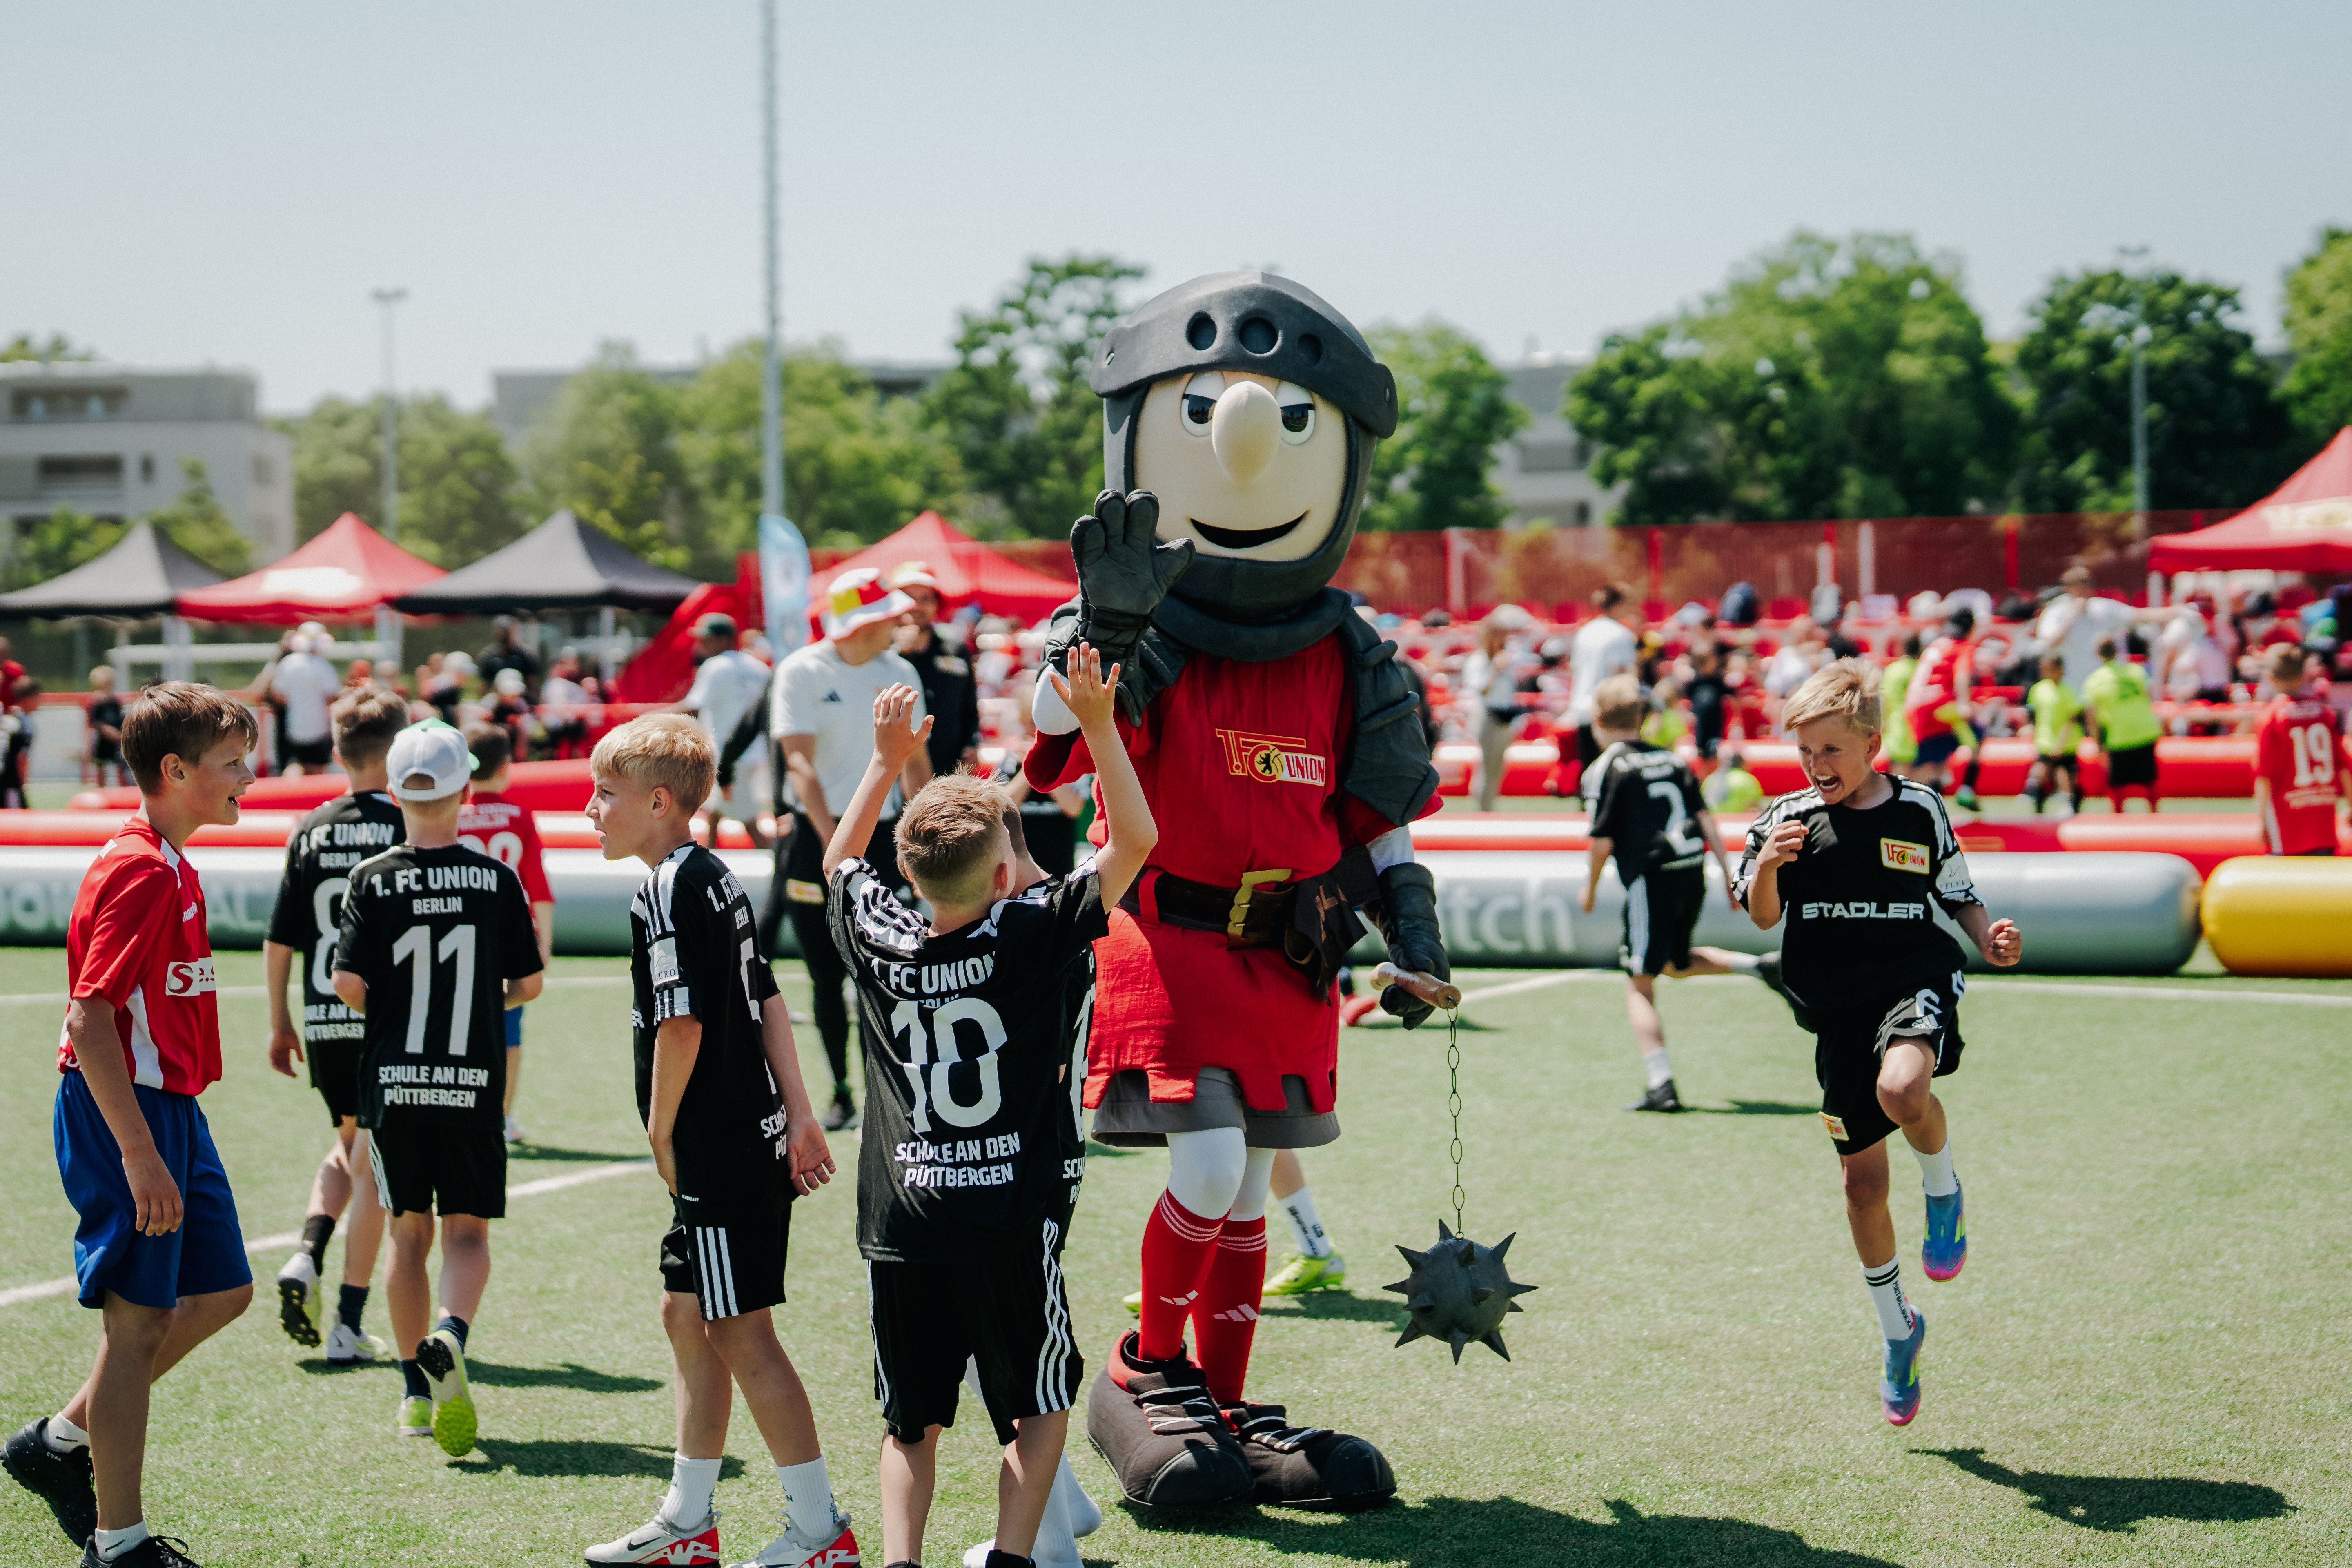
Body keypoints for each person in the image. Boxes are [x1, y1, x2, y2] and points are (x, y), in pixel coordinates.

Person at [823, 652, 1153, 1568]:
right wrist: (1096, 724)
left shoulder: (882, 936)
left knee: (910, 1419)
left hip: (904, 1218)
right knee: (1039, 1400)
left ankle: (900, 1563)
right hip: (1010, 1212)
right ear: (1007, 874)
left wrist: (886, 762)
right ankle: (1014, 1558)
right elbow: (1133, 843)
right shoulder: (1033, 927)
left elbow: (839, 859)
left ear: (910, 872)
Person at [581, 714, 853, 1568]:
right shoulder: (713, 874)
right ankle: (688, 1519)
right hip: (749, 1133)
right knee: (687, 1312)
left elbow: (685, 1022)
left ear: (659, 803)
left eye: (606, 795)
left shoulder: (665, 888)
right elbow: (767, 996)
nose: (592, 810)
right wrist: (801, 1110)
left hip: (720, 1146)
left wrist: (661, 1128)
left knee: (740, 1330)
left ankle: (820, 1530)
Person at [4, 683, 257, 1568]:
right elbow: (89, 1018)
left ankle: (59, 1443)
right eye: (232, 764)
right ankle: (119, 1544)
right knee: (137, 1325)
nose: (248, 778)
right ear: (175, 770)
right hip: (129, 1114)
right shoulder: (143, 868)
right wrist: (140, 1151)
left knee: (224, 1291)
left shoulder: (172, 860)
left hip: (172, 1108)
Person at [1735, 660, 2022, 1426]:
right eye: (1806, 752)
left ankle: (1944, 1189)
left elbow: (1957, 892)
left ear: (1872, 744)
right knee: (1861, 1187)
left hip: (1913, 979)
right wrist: (1768, 864)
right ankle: (1900, 1332)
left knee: (1904, 1090)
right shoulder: (1785, 818)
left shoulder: (1919, 808)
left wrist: (1986, 934)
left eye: (1831, 750)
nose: (1816, 766)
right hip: (1835, 1013)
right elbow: (1760, 917)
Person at [332, 723, 544, 1457]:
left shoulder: (371, 878)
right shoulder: (496, 878)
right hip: (473, 1081)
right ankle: (450, 1333)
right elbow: (530, 983)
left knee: (407, 1233)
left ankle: (415, 1397)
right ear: (466, 791)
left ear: (394, 794)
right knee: (466, 1233)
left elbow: (347, 984)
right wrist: (486, 1007)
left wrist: (395, 1017)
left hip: (394, 1083)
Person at [262, 689, 409, 1365]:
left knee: (348, 1141)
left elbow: (281, 936)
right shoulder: (406, 825)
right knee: (375, 1164)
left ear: (337, 750)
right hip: (381, 1014)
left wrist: (279, 1021)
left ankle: (308, 1252)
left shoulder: (311, 826)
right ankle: (349, 1320)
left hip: (321, 1012)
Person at [772, 568, 933, 1132]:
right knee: (825, 975)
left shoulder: (901, 671)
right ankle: (841, 1090)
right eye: (892, 613)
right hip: (817, 838)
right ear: (865, 620)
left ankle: (891, 1092)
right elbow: (799, 765)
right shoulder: (801, 670)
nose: (904, 618)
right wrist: (831, 846)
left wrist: (927, 837)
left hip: (886, 839)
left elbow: (916, 763)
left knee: (890, 971)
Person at [1579, 676, 1779, 1112]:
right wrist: (1730, 875)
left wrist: (1590, 889)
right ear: (1646, 717)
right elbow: (1707, 819)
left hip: (1651, 877)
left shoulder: (1605, 768)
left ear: (1598, 721)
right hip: (1692, 870)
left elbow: (1602, 841)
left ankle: (1661, 1083)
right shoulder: (1672, 760)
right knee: (1675, 962)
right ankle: (1759, 966)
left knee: (1639, 983)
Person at [456, 724, 556, 1145]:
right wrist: (544, 943)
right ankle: (501, 1114)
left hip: (460, 935)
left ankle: (460, 1107)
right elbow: (538, 885)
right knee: (508, 1031)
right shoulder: (519, 816)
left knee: (459, 1021)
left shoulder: (453, 815)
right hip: (509, 938)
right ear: (506, 765)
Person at [676, 612, 774, 848]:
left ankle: (778, 871)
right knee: (714, 813)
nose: (701, 645)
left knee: (749, 822)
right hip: (755, 753)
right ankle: (707, 861)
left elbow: (693, 708)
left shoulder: (716, 666)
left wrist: (648, 719)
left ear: (724, 640)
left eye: (707, 639)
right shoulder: (760, 668)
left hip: (729, 757)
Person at [2252, 644, 2348, 855]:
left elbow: (2263, 775)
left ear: (2270, 677)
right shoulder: (2324, 713)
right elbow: (2343, 765)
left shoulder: (2272, 717)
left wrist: (2262, 821)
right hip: (2322, 822)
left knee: (2286, 885)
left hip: (2288, 825)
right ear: (2303, 674)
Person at [891, 561, 983, 780]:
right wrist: (899, 650)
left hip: (949, 771)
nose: (917, 606)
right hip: (896, 775)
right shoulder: (881, 652)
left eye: (926, 599)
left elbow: (969, 707)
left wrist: (972, 744)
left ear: (936, 604)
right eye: (909, 598)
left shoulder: (956, 648)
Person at [2036, 566, 2161, 693]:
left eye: (2088, 584)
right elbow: (2051, 643)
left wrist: (2177, 611)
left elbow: (2138, 616)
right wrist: (2073, 615)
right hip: (2072, 692)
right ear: (2069, 588)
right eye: (2081, 585)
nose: (2086, 589)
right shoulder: (2055, 612)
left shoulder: (2101, 607)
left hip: (2103, 690)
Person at [1904, 611, 1982, 809]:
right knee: (1977, 732)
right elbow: (1962, 676)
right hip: (1940, 706)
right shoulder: (1962, 647)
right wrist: (1964, 703)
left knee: (1933, 758)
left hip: (1916, 707)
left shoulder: (1936, 645)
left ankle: (1928, 800)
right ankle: (1966, 789)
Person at [1566, 584, 1642, 783]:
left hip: (1582, 707)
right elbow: (1623, 675)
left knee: (1589, 771)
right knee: (1612, 772)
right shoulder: (1621, 634)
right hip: (1609, 711)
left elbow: (1574, 668)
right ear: (1617, 605)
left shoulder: (1585, 632)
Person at [2082, 639, 2163, 812]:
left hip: (2119, 736)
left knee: (2117, 786)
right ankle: (2156, 823)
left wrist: (2098, 745)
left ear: (2098, 654)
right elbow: (2150, 697)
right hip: (2146, 731)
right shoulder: (2136, 671)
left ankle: (2118, 826)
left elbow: (2092, 718)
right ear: (2117, 651)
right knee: (2149, 783)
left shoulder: (2095, 681)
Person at [1461, 611, 1526, 813]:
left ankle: (1489, 808)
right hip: (1487, 715)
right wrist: (1496, 670)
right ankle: (1483, 810)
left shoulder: (1506, 659)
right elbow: (1480, 689)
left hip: (1505, 716)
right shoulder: (1478, 661)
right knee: (1486, 767)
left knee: (1497, 768)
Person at [269, 633, 344, 777]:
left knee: (292, 767)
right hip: (319, 727)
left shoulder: (288, 663)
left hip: (293, 725)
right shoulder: (324, 667)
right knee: (317, 770)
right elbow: (332, 698)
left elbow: (278, 696)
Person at [2022, 653, 2085, 816]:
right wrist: (2031, 732)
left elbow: (2071, 721)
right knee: (2041, 772)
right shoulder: (2038, 689)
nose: (2045, 673)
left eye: (2049, 669)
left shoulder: (2069, 691)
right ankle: (2035, 801)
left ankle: (2070, 806)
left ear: (2059, 670)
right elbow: (2034, 716)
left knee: (2065, 775)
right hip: (2045, 742)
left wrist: (2061, 743)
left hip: (2067, 744)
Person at [1879, 634, 1920, 777]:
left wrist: (1882, 722)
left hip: (1898, 725)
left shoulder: (1893, 670)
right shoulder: (1923, 669)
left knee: (1899, 773)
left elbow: (1884, 699)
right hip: (1920, 726)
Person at [475, 616, 540, 696]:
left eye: (507, 631)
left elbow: (532, 686)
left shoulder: (527, 655)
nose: (503, 635)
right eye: (501, 631)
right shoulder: (488, 656)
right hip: (496, 699)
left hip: (520, 699)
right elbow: (484, 687)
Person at [2, 677, 41, 807]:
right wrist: (23, 783)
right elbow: (22, 757)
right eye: (37, 697)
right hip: (10, 784)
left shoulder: (8, 717)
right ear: (28, 698)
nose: (39, 702)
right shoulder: (24, 723)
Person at [85, 666, 127, 788]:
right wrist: (110, 733)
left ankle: (124, 792)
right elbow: (96, 723)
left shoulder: (115, 702)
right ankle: (101, 791)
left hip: (117, 739)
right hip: (102, 739)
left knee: (121, 766)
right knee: (101, 767)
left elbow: (121, 719)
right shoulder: (96, 702)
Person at [1702, 744, 1764, 815]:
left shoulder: (1710, 780)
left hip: (1715, 823)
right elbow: (1752, 808)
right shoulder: (1747, 780)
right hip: (1737, 824)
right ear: (1743, 762)